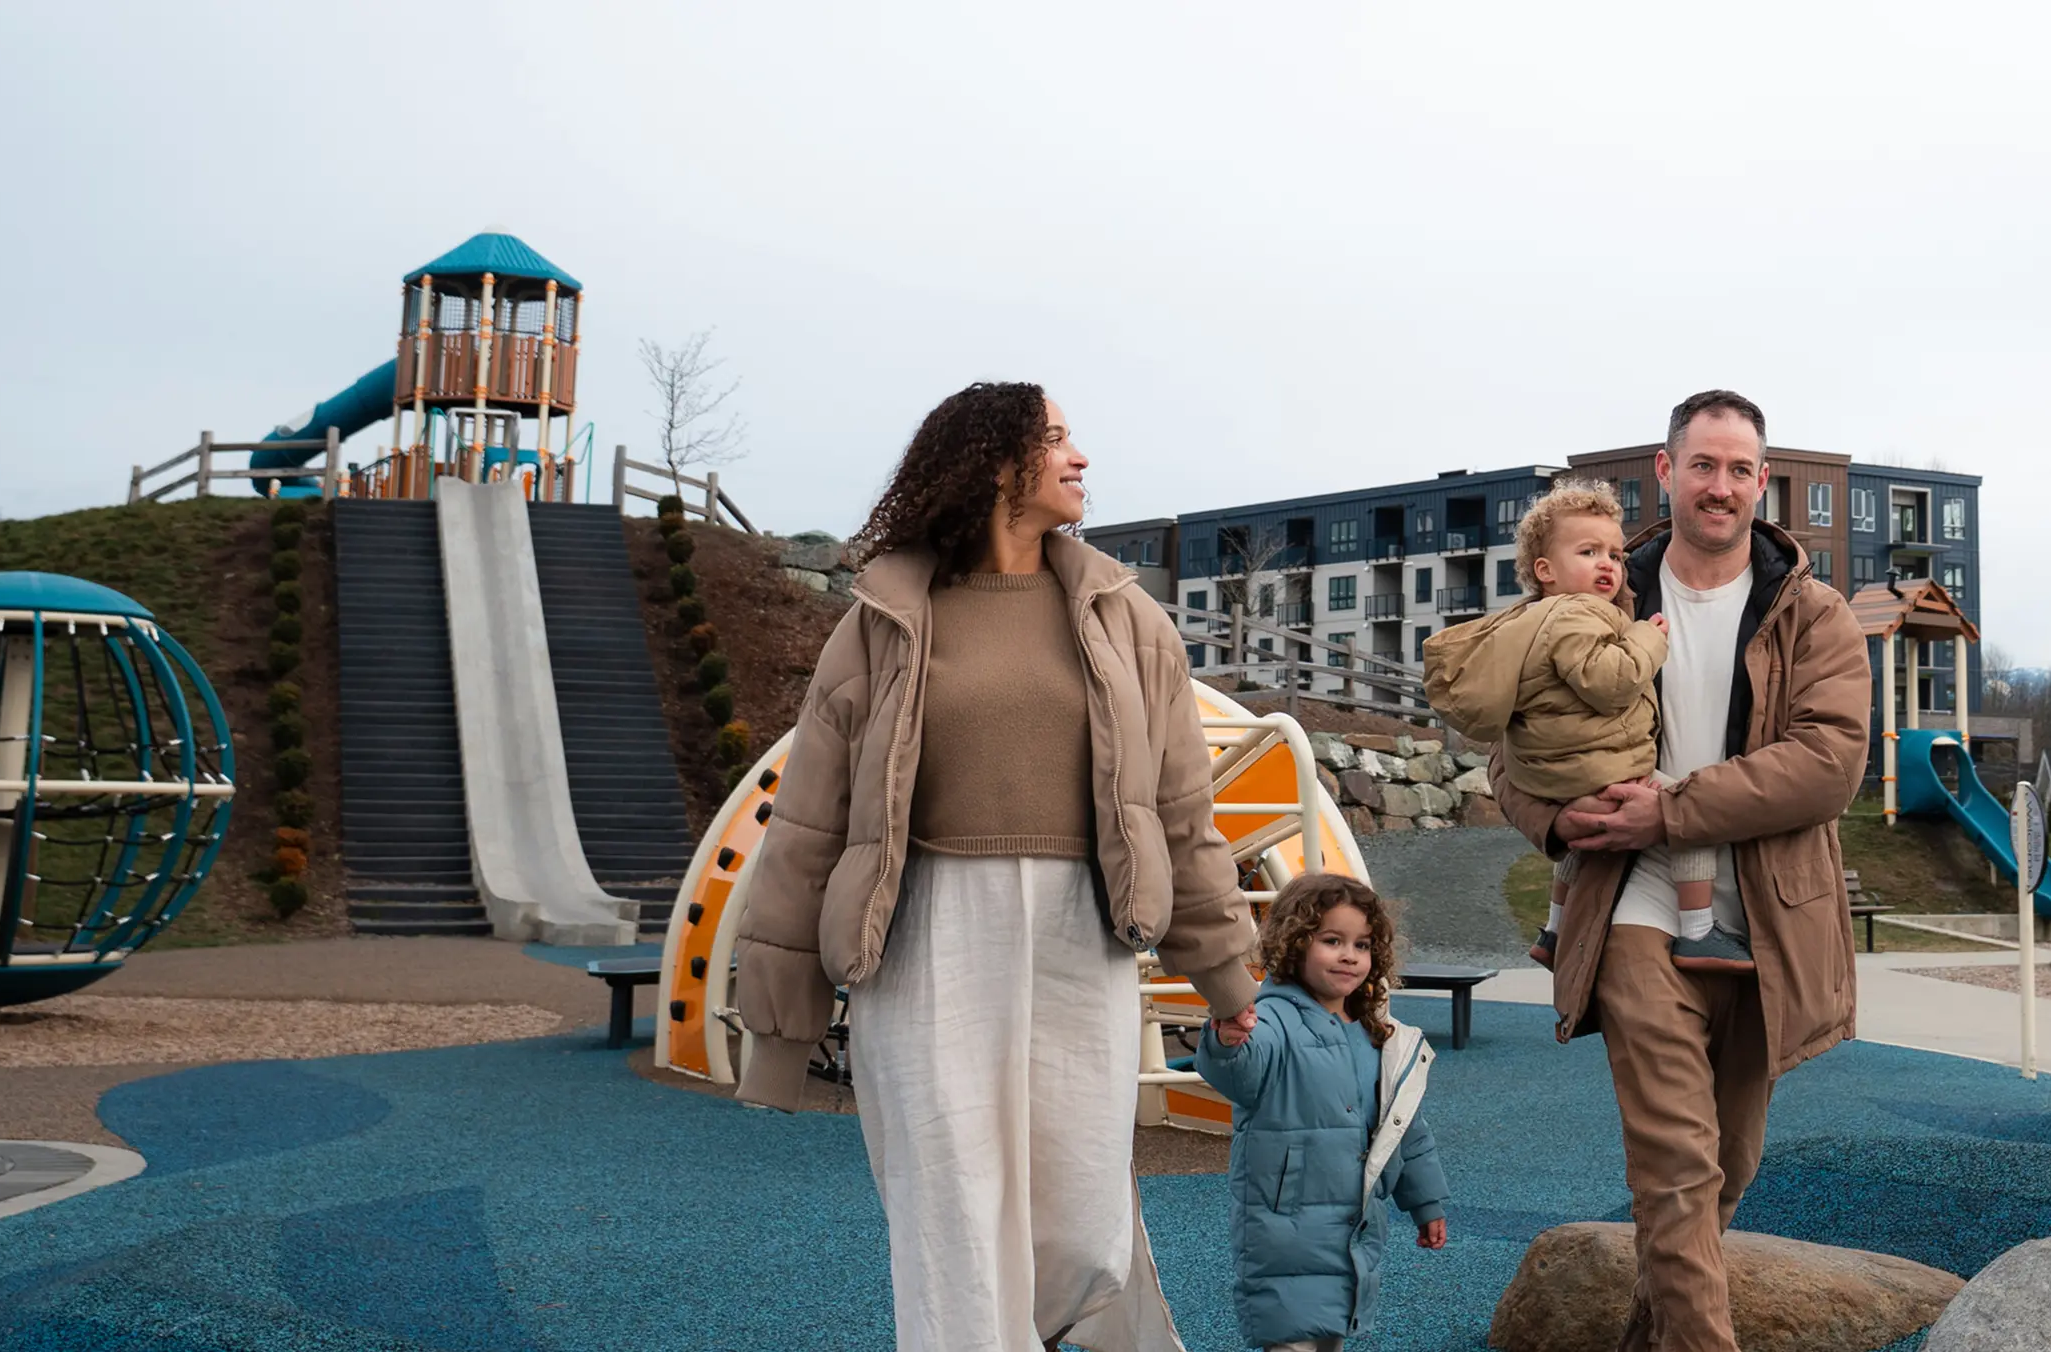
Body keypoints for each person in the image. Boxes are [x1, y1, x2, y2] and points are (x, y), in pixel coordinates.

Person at [730, 381, 1259, 1352]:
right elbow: (808, 822)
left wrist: (1224, 973)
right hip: (927, 939)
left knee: (1082, 1224)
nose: (1079, 456)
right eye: (1055, 438)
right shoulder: (883, 617)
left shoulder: (1121, 617)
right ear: (993, 464)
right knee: (948, 1210)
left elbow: (1183, 814)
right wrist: (779, 1024)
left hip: (1081, 935)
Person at [1493, 390, 1870, 1352]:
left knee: (1729, 1164)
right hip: (1632, 900)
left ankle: (1645, 1338)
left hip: (1764, 918)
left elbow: (1831, 763)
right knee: (1674, 1159)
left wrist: (1676, 805)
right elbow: (1512, 756)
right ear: (1666, 472)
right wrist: (1556, 817)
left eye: (1741, 468)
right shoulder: (1596, 597)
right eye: (1703, 464)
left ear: (1762, 482)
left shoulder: (1811, 611)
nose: (1722, 485)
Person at [1421, 480, 1750, 975]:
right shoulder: (1577, 615)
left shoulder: (1533, 619)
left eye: (1616, 555)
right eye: (1589, 551)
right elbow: (1608, 681)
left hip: (1558, 776)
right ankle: (1700, 930)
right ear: (1546, 571)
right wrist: (1647, 640)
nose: (1609, 565)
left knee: (1575, 848)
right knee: (1688, 821)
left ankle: (1554, 929)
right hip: (1602, 767)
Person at [1193, 872, 1448, 1352]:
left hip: (1353, 1222)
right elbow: (1240, 1073)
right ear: (1294, 943)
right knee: (1289, 1335)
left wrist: (1426, 1201)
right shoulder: (1271, 1019)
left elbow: (1403, 1128)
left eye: (1362, 944)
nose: (1350, 955)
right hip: (1283, 1222)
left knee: (1333, 1334)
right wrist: (1228, 1040)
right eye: (1332, 940)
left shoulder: (1377, 1033)